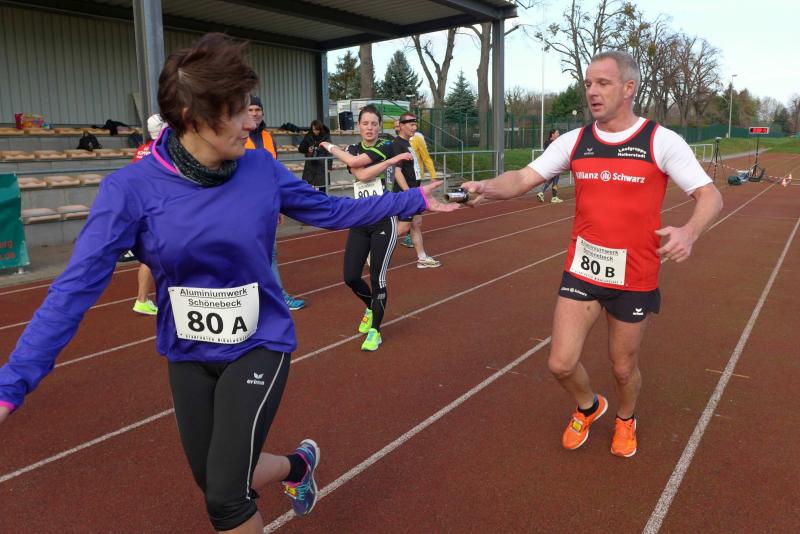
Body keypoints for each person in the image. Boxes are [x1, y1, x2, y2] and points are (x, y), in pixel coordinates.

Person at [0, 34, 456, 533]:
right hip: (188, 350)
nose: (250, 122)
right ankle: (297, 465)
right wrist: (10, 386)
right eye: (237, 111)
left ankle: (266, 482)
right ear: (192, 117)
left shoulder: (260, 168)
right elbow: (71, 293)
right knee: (213, 478)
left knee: (225, 498)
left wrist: (413, 201)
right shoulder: (129, 191)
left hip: (259, 341)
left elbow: (331, 211)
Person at [459, 50, 722, 458]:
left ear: (628, 88)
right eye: (588, 84)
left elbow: (710, 195)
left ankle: (625, 418)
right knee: (560, 363)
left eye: (603, 83)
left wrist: (689, 232)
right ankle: (588, 406)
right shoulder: (575, 141)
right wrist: (486, 188)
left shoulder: (660, 141)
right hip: (583, 269)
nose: (592, 92)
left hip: (634, 277)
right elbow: (524, 178)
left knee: (623, 368)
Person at [319, 105, 418, 351]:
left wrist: (331, 147)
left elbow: (362, 173)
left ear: (379, 126)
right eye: (365, 123)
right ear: (359, 126)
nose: (370, 128)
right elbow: (358, 170)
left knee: (377, 277)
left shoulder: (386, 146)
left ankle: (375, 331)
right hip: (360, 220)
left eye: (374, 123)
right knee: (351, 276)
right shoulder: (354, 149)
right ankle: (370, 307)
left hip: (384, 219)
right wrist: (387, 164)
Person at [246, 95, 305, 311]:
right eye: (250, 109)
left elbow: (274, 174)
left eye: (257, 110)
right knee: (247, 252)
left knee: (269, 252)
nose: (255, 113)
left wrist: (277, 205)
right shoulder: (237, 136)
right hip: (244, 205)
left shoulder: (268, 137)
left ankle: (277, 296)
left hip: (267, 203)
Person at [391, 113, 441, 268]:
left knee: (415, 224)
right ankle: (373, 249)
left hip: (414, 190)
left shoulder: (408, 143)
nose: (415, 128)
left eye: (415, 124)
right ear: (402, 126)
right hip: (406, 192)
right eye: (411, 125)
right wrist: (408, 192)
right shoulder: (397, 145)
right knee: (403, 227)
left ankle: (422, 258)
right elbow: (397, 171)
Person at [130, 113, 167, 316]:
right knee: (153, 256)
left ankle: (143, 299)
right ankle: (142, 299)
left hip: (142, 206)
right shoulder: (161, 150)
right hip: (157, 208)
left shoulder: (142, 149)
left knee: (151, 255)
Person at [297, 119, 331, 193]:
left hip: (322, 165)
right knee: (307, 188)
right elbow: (300, 148)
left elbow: (330, 152)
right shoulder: (308, 136)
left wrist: (329, 167)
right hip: (310, 166)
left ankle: (322, 200)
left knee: (322, 188)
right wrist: (308, 149)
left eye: (317, 130)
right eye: (313, 130)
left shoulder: (326, 137)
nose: (315, 131)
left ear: (320, 129)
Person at [537, 129, 563, 204]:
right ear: (552, 134)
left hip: (550, 163)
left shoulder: (547, 142)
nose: (558, 134)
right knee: (555, 180)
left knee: (551, 179)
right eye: (557, 133)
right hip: (555, 163)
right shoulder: (553, 143)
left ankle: (541, 192)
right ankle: (554, 197)